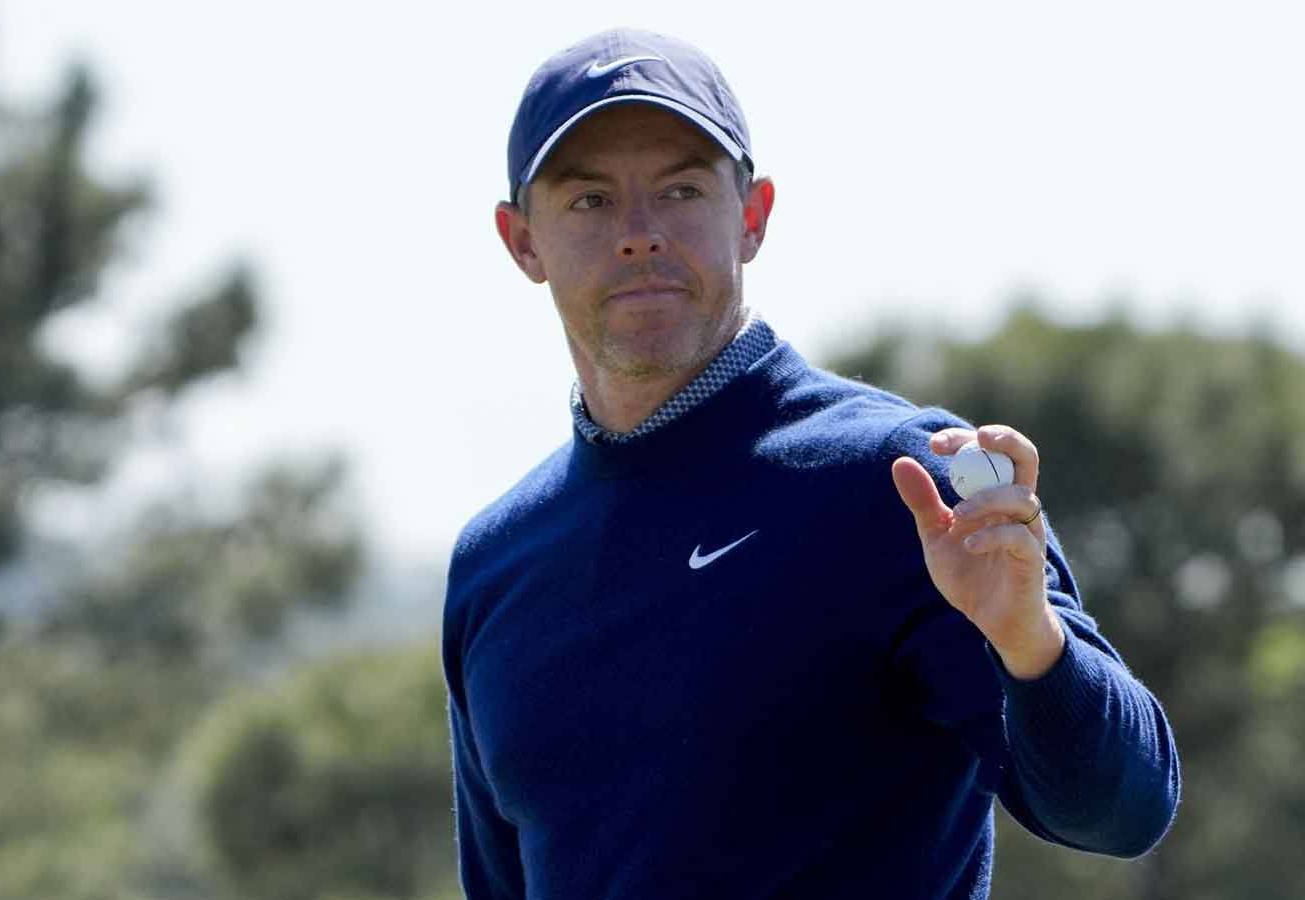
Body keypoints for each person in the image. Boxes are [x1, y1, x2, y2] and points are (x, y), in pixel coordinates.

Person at [440, 27, 1181, 900]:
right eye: (590, 202)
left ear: (751, 217)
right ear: (521, 241)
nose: (639, 234)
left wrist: (1033, 644)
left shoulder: (897, 484)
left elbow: (1123, 811)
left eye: (680, 189)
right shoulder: (494, 562)